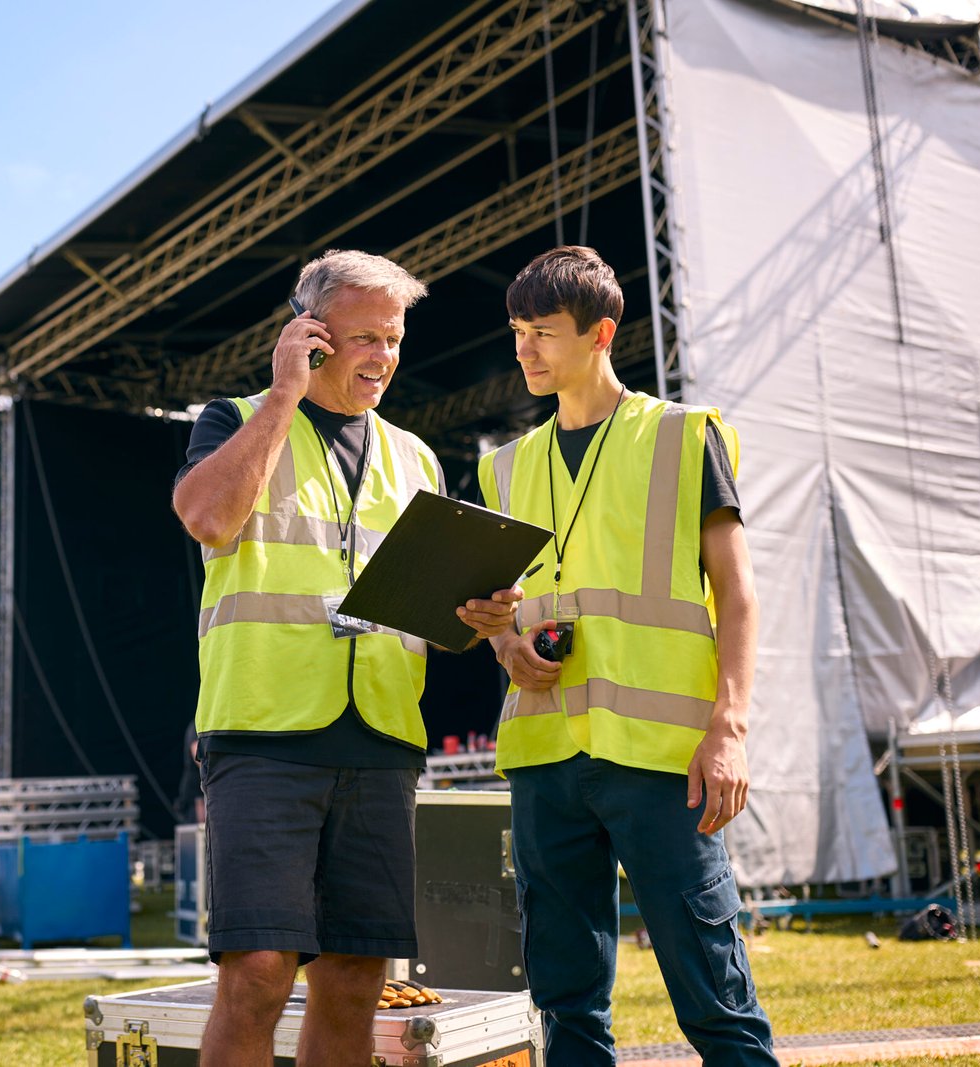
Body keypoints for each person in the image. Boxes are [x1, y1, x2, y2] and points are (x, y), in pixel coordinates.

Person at [173, 249, 520, 1067]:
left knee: (359, 978)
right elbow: (210, 520)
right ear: (310, 334)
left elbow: (438, 627)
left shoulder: (416, 459)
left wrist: (477, 616)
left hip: (381, 744)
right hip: (262, 735)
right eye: (363, 338)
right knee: (257, 974)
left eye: (393, 340)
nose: (382, 358)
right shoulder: (234, 418)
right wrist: (284, 395)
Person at [471, 246, 777, 1065]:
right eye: (515, 332)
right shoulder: (502, 468)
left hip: (662, 757)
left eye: (541, 332)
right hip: (543, 754)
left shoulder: (684, 437)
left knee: (714, 995)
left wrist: (730, 728)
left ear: (601, 333)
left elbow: (739, 594)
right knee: (565, 1004)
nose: (523, 350)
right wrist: (502, 639)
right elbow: (495, 611)